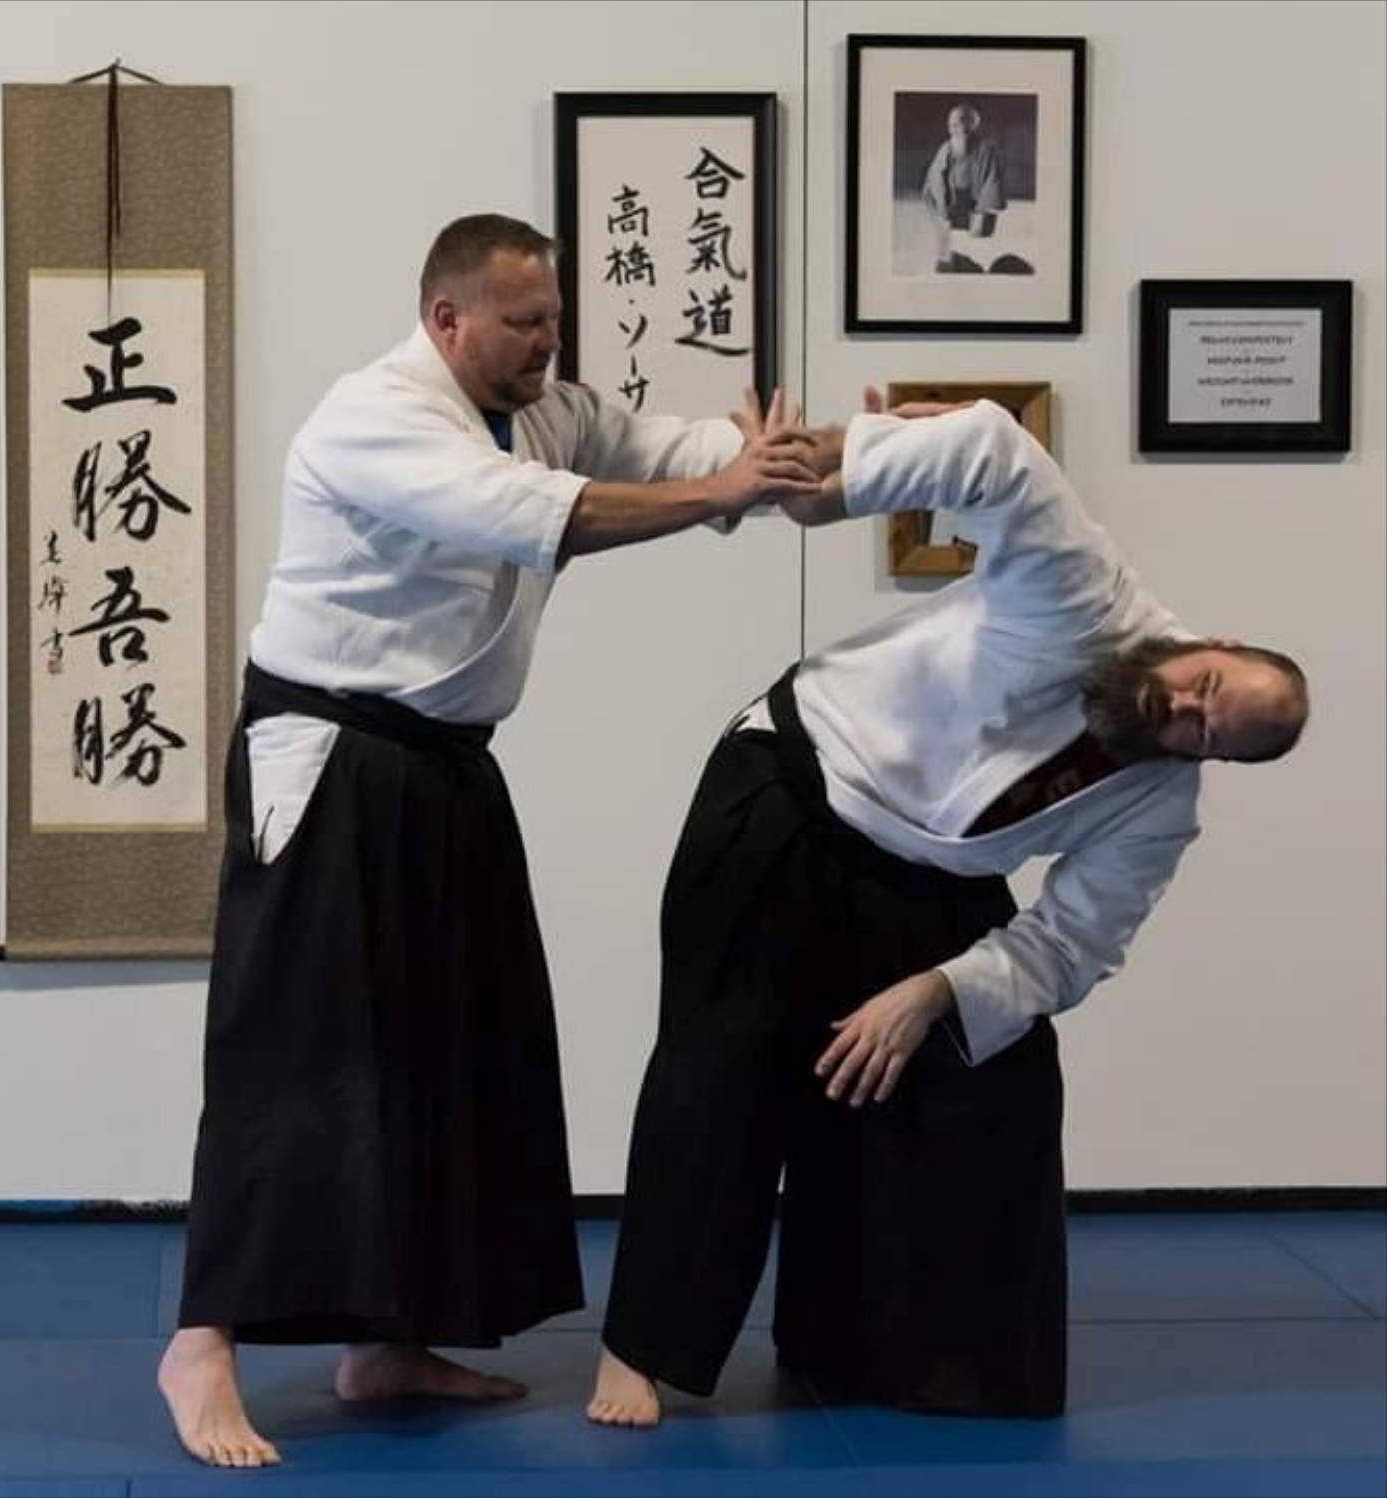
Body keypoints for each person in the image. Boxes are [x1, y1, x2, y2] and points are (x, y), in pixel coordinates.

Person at [157, 213, 820, 1468]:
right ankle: (200, 1344)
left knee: (458, 1051)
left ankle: (389, 1340)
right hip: (331, 760)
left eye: (555, 321)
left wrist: (789, 456)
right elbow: (552, 516)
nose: (548, 344)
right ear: (448, 318)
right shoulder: (373, 417)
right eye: (525, 323)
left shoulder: (547, 406)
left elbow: (674, 449)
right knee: (298, 1060)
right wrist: (727, 488)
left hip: (447, 767)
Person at [587, 393, 1309, 1427]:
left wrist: (935, 990)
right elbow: (991, 449)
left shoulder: (1158, 803)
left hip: (925, 871)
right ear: (1214, 642)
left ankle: (871, 1345)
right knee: (728, 1057)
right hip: (793, 784)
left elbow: (1071, 943)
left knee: (992, 1075)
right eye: (1202, 687)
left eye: (1206, 734)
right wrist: (832, 477)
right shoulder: (1088, 591)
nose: (1183, 714)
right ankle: (640, 1348)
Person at [922, 104, 1010, 274]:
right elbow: (934, 179)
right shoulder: (946, 149)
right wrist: (942, 205)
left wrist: (983, 210)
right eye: (952, 125)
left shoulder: (987, 150)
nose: (955, 129)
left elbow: (992, 181)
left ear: (972, 125)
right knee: (947, 249)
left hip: (977, 209)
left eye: (960, 124)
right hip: (951, 205)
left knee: (976, 247)